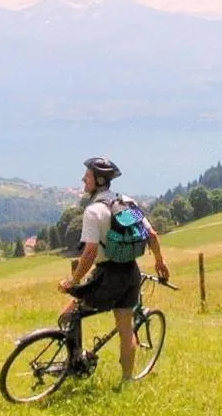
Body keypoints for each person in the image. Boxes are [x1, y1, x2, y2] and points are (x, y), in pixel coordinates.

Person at [58, 156, 170, 384]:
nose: (83, 180)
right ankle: (127, 380)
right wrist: (159, 262)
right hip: (130, 273)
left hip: (106, 276)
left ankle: (76, 364)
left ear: (99, 180)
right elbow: (152, 235)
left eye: (87, 177)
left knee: (69, 314)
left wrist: (73, 280)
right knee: (126, 329)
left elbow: (89, 253)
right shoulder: (126, 202)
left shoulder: (94, 212)